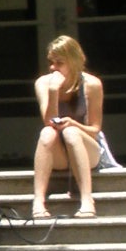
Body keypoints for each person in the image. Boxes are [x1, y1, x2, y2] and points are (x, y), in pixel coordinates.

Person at [32, 33, 105, 219]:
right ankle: (38, 201)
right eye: (51, 62)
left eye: (59, 63)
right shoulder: (44, 83)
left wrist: (73, 124)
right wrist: (53, 91)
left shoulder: (92, 85)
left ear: (73, 62)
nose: (53, 67)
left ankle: (87, 200)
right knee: (47, 132)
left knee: (71, 132)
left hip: (87, 150)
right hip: (59, 154)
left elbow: (95, 130)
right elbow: (48, 121)